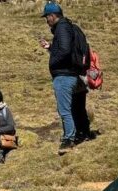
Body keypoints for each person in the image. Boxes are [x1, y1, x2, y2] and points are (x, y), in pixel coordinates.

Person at [39, 2, 92, 155]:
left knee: (64, 110)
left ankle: (68, 140)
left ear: (52, 16)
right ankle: (84, 132)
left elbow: (65, 50)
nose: (46, 21)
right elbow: (65, 49)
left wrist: (53, 62)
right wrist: (50, 48)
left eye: (47, 17)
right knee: (77, 107)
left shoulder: (61, 28)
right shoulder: (69, 27)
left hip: (64, 76)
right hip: (75, 74)